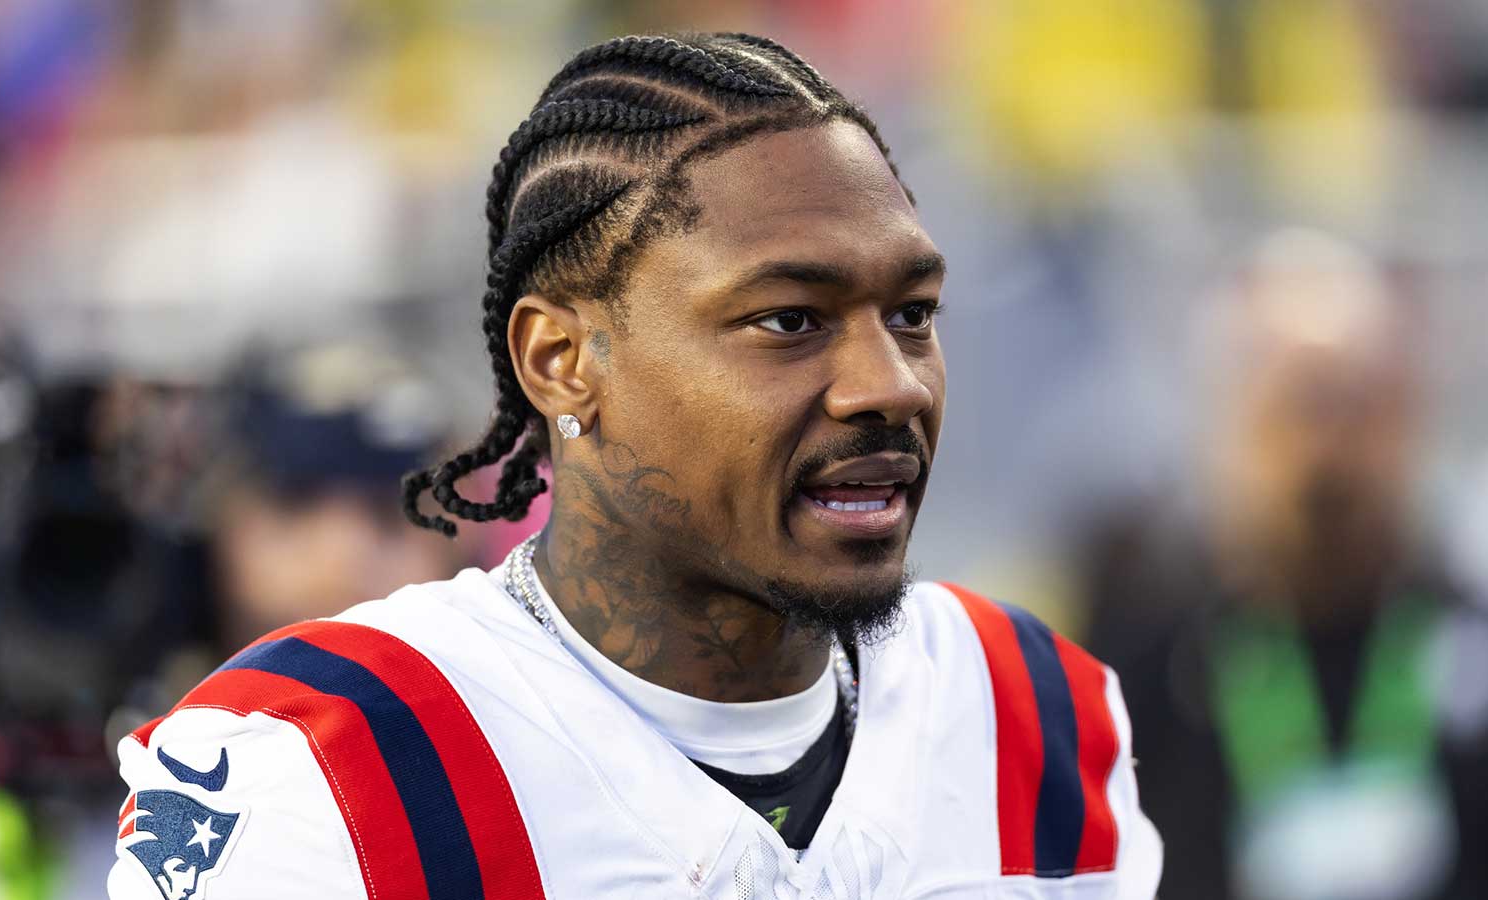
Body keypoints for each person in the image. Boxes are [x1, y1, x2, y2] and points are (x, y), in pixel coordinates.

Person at [107, 33, 1161, 900]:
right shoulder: (325, 769)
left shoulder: (1031, 708)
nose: (889, 386)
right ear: (560, 362)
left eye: (912, 314)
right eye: (789, 320)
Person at [1083, 232, 1488, 900]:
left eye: (1360, 404)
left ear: (1411, 417)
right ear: (1231, 423)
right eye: (1302, 404)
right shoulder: (1129, 681)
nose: (1330, 447)